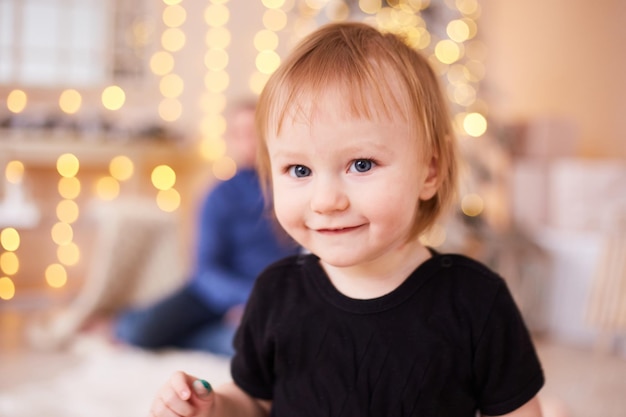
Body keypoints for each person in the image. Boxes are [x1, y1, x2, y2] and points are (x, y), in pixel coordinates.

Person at [148, 22, 545, 416]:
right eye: (299, 170)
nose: (326, 201)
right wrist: (214, 407)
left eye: (361, 164)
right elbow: (254, 401)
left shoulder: (475, 301)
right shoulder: (276, 293)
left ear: (430, 170)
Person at [114, 100, 300, 356]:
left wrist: (264, 302)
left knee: (253, 347)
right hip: (213, 292)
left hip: (273, 299)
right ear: (231, 139)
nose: (251, 142)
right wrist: (246, 298)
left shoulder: (295, 186)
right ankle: (119, 323)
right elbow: (205, 270)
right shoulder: (218, 195)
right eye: (242, 134)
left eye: (257, 133)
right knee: (140, 332)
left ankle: (199, 335)